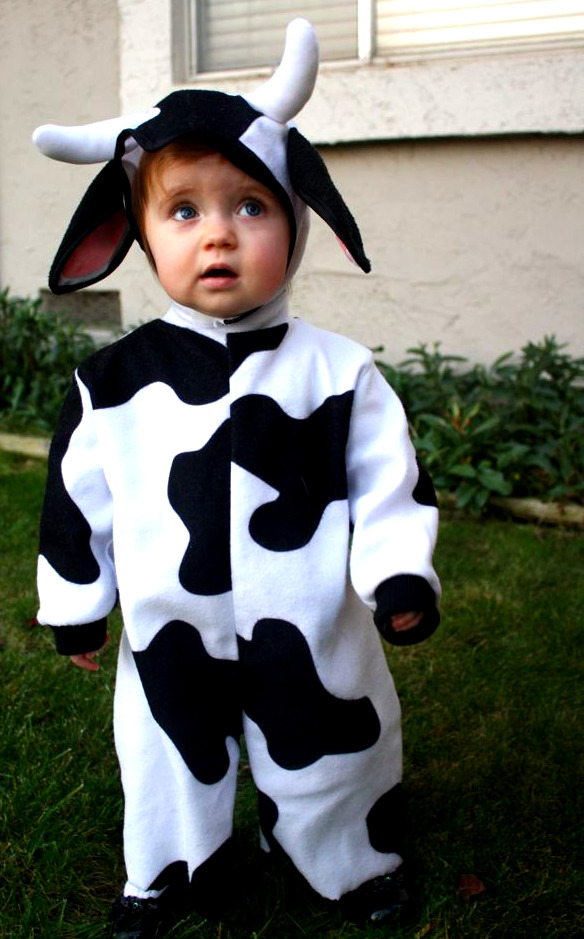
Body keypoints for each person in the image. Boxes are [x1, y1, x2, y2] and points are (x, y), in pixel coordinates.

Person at [34, 19, 440, 939]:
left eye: (251, 206)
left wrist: (399, 576)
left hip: (313, 622)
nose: (218, 234)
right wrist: (77, 604)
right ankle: (168, 867)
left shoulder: (339, 374)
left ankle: (351, 857)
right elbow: (77, 501)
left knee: (337, 748)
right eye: (183, 211)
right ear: (134, 233)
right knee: (165, 752)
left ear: (300, 216)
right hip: (169, 630)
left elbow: (389, 484)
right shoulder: (112, 382)